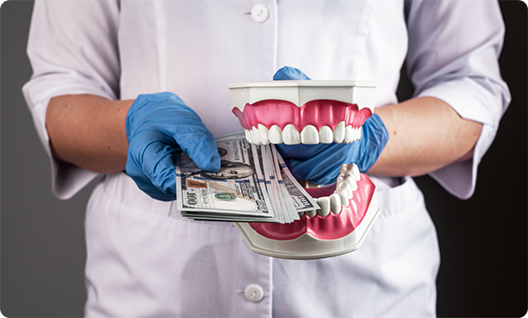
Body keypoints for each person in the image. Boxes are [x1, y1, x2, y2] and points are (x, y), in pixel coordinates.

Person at [23, 1, 510, 317]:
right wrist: (129, 128)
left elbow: (473, 86)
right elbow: (61, 89)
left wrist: (368, 140)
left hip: (363, 290)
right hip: (156, 284)